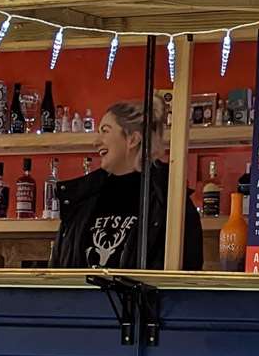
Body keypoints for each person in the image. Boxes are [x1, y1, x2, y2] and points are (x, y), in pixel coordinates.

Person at [52, 100, 204, 270]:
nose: (96, 142)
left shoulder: (169, 200)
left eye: (105, 131)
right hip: (85, 298)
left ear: (132, 139)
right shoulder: (81, 199)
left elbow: (185, 280)